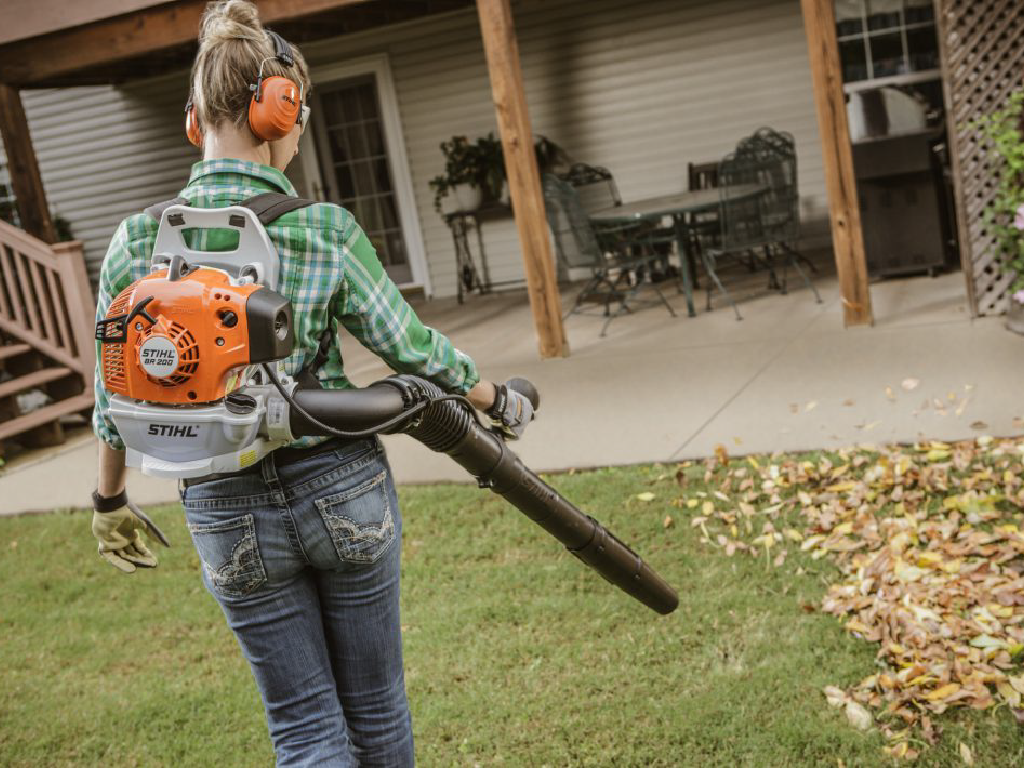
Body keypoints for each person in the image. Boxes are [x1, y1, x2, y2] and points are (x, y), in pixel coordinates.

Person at [88, 2, 532, 765]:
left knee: (302, 726)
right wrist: (497, 399)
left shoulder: (136, 241)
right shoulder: (322, 227)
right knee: (377, 707)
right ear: (278, 110)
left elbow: (114, 397)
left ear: (194, 120)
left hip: (223, 508)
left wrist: (108, 501)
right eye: (301, 114)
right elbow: (413, 351)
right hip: (341, 487)